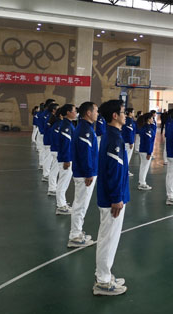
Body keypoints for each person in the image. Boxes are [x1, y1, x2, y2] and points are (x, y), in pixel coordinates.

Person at [94, 99, 129, 296]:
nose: (126, 115)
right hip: (112, 199)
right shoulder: (114, 139)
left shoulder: (112, 135)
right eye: (123, 112)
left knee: (107, 238)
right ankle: (103, 282)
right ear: (115, 116)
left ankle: (104, 274)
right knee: (108, 239)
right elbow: (114, 172)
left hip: (111, 196)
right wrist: (117, 198)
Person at [68, 101, 98, 248]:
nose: (97, 114)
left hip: (84, 172)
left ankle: (77, 231)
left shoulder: (85, 127)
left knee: (81, 204)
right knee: (80, 205)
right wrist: (88, 172)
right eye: (96, 111)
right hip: (84, 174)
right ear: (88, 113)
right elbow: (85, 154)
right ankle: (75, 236)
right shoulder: (85, 130)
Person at [56, 104, 77, 215]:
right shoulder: (66, 126)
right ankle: (61, 206)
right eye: (74, 111)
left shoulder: (68, 124)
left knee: (64, 182)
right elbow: (66, 144)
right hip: (66, 158)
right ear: (68, 112)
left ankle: (62, 202)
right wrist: (67, 160)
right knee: (63, 183)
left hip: (68, 157)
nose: (76, 113)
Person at [137, 113, 155, 190]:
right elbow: (148, 142)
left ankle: (141, 182)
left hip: (143, 150)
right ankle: (142, 183)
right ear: (148, 119)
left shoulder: (145, 127)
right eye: (152, 118)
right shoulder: (148, 129)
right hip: (145, 151)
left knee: (143, 167)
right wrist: (149, 152)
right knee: (144, 167)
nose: (153, 119)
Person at [122, 108, 136, 177]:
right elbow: (129, 132)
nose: (134, 113)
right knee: (127, 157)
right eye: (133, 112)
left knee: (125, 157)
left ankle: (125, 170)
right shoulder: (129, 121)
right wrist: (131, 142)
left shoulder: (126, 120)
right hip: (128, 142)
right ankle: (125, 171)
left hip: (125, 140)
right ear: (130, 113)